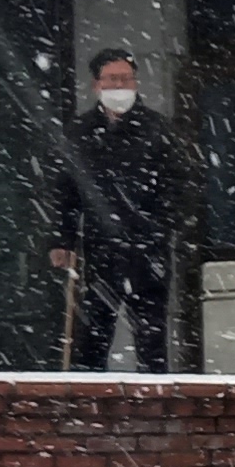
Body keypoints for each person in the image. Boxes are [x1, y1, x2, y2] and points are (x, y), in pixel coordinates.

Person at [51, 50, 197, 369]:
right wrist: (61, 239)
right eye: (113, 79)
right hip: (99, 250)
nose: (120, 86)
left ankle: (154, 408)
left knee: (151, 339)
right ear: (96, 85)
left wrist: (160, 226)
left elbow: (181, 185)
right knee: (92, 338)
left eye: (126, 79)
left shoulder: (157, 130)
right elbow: (66, 190)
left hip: (149, 252)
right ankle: (88, 407)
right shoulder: (80, 132)